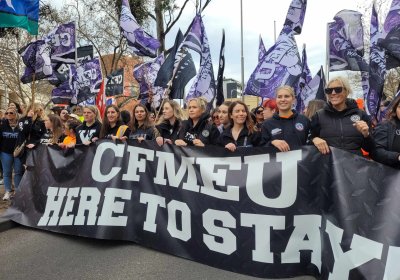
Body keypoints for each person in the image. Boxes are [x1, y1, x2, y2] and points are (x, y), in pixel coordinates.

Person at [310, 76, 374, 156]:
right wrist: (314, 139)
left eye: (338, 89)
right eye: (329, 90)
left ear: (346, 91)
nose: (333, 93)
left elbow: (370, 148)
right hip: (329, 165)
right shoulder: (319, 115)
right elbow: (308, 140)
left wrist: (366, 134)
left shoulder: (361, 114)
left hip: (354, 165)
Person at [261, 85, 310, 152]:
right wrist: (272, 142)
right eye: (279, 97)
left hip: (301, 162)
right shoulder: (267, 124)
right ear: (276, 100)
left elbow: (311, 141)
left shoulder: (304, 120)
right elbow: (260, 147)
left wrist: (315, 139)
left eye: (286, 96)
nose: (283, 99)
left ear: (293, 100)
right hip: (276, 162)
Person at [370, 95, 400, 168]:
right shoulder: (385, 126)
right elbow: (376, 152)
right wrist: (397, 157)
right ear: (395, 109)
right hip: (391, 174)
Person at [0, 107, 23, 200]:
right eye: (7, 113)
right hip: (5, 152)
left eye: (11, 113)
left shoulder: (20, 125)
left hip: (18, 153)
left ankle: (17, 191)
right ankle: (8, 191)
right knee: (7, 173)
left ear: (16, 114)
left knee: (18, 172)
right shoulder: (2, 124)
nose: (9, 114)